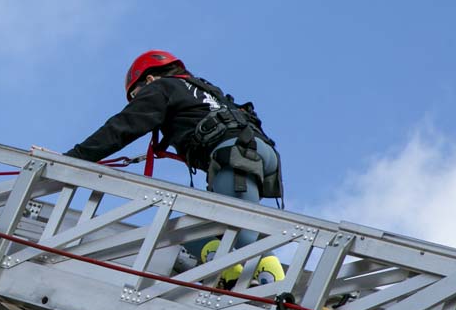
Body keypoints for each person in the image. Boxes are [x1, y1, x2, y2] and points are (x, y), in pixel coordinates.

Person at [40, 50, 284, 287]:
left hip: (232, 155)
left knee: (215, 233)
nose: (138, 102)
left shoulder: (162, 87)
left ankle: (253, 283)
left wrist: (70, 159)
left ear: (148, 79)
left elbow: (121, 128)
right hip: (254, 154)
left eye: (137, 96)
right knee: (221, 227)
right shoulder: (204, 90)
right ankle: (242, 274)